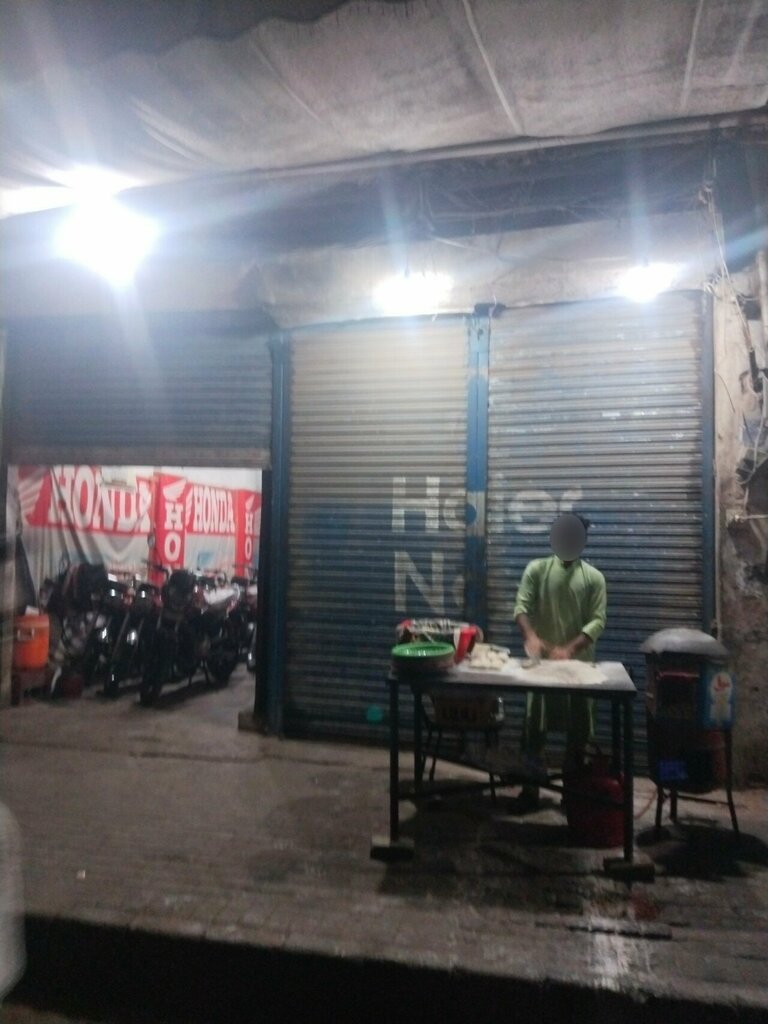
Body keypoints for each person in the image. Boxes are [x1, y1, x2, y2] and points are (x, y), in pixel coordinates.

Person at [512, 512, 607, 811]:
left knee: (578, 733)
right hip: (541, 669)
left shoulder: (594, 578)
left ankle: (573, 794)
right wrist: (530, 636)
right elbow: (521, 608)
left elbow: (597, 621)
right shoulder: (536, 570)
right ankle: (530, 791)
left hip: (579, 671)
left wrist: (569, 650)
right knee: (533, 730)